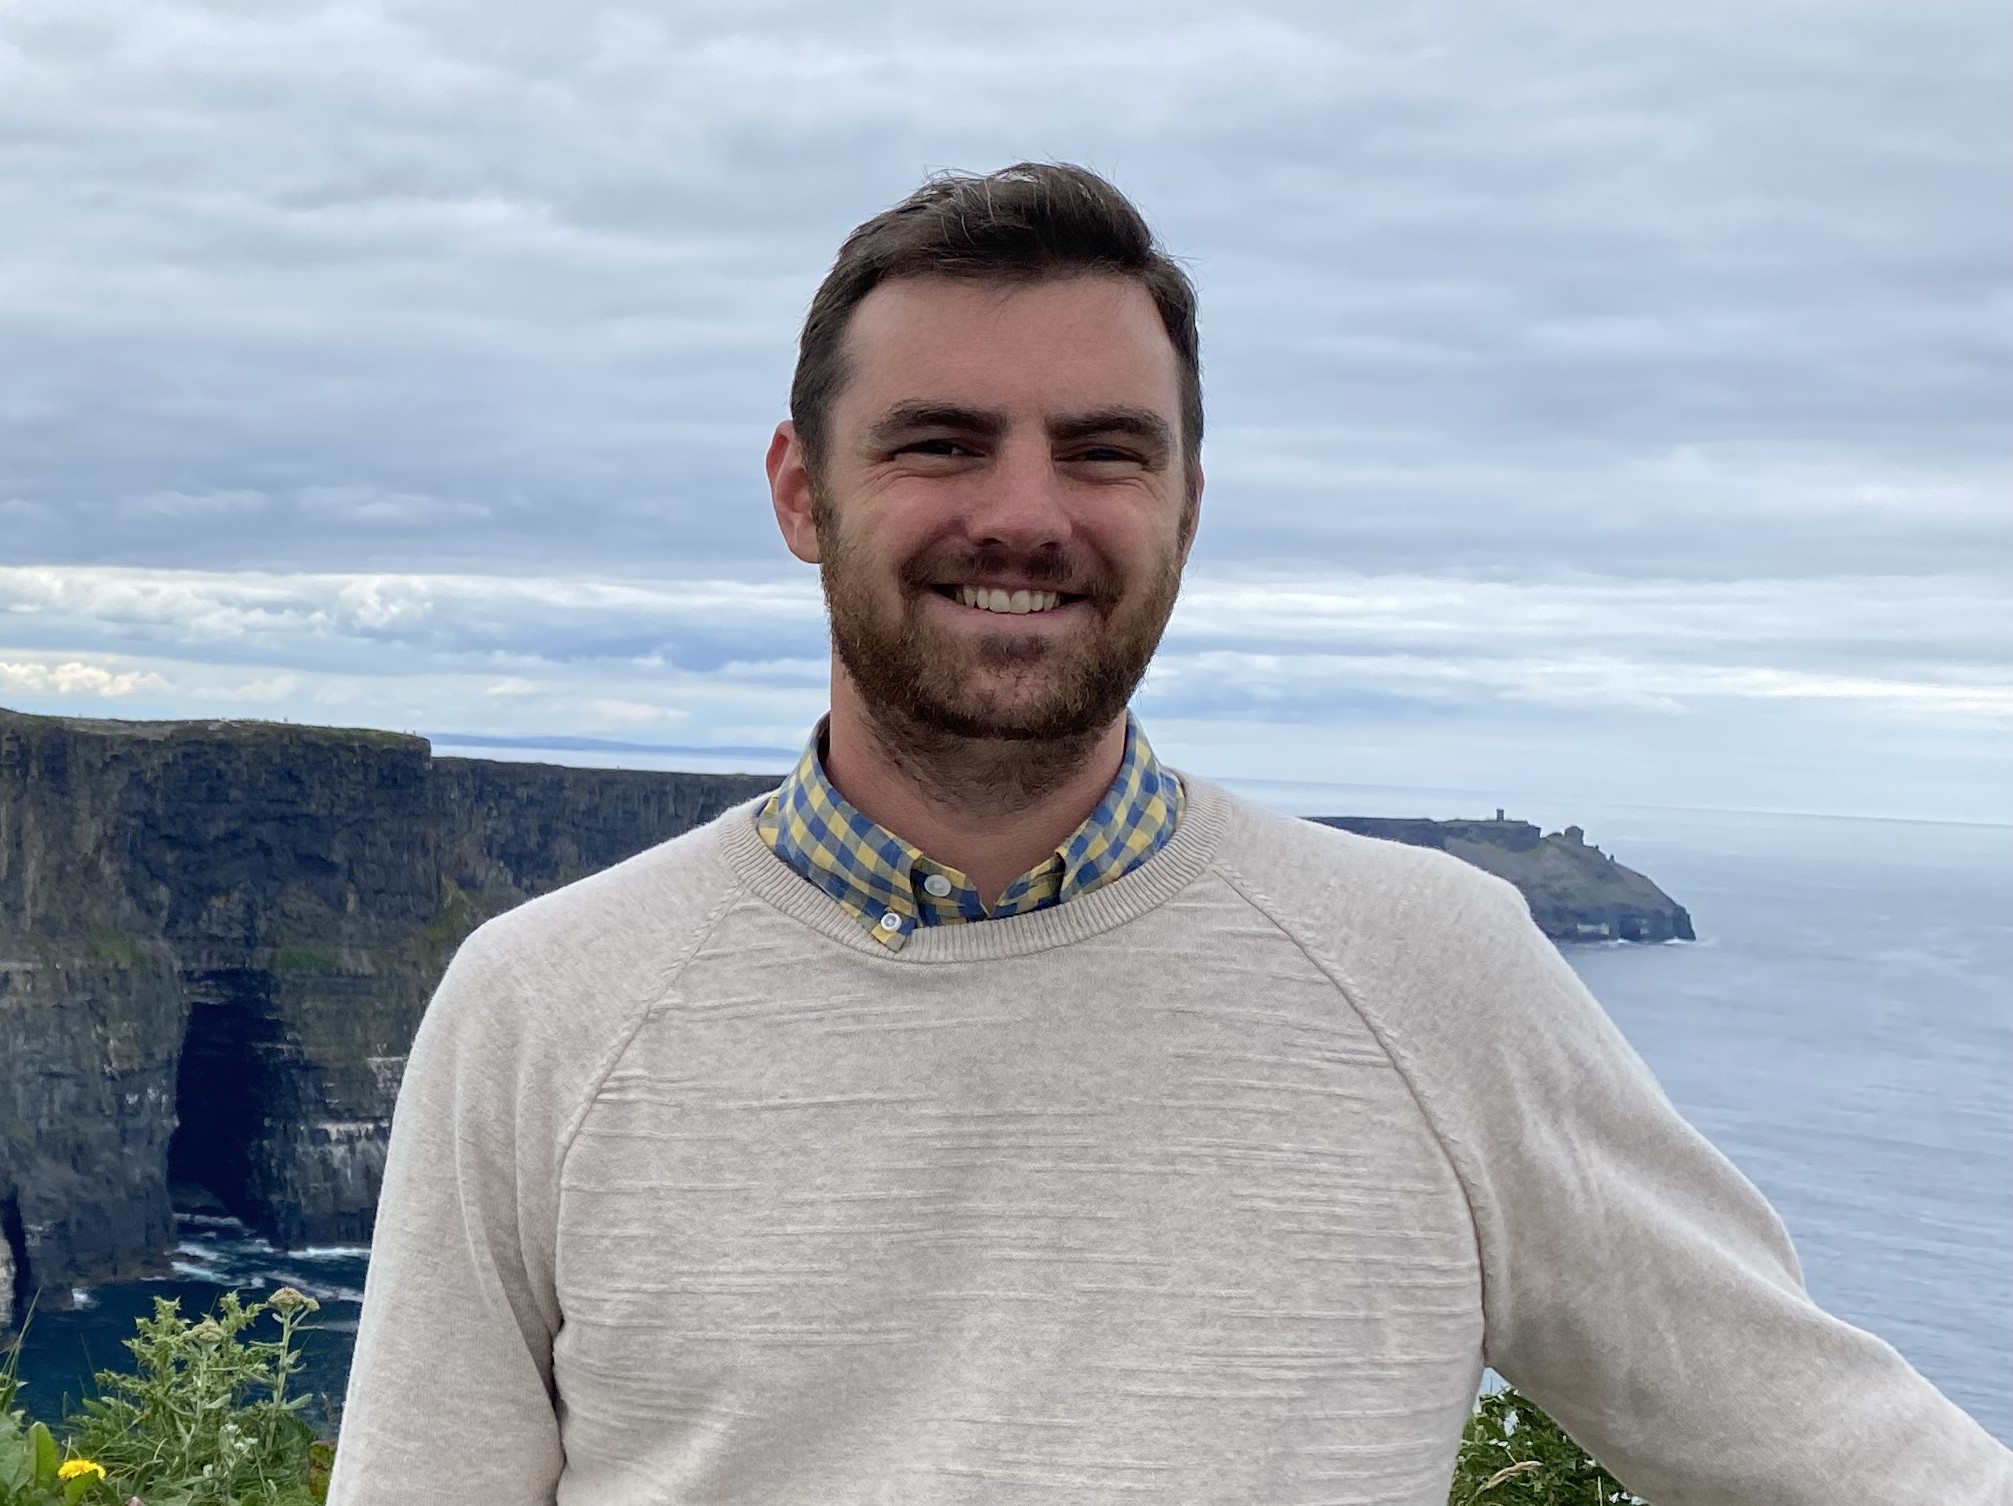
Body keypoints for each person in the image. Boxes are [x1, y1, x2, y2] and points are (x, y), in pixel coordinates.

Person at [328, 163, 2012, 1505]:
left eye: (1104, 450)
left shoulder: (1433, 972)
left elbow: (1831, 1451)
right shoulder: (542, 1003)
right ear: (799, 490)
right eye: (939, 442)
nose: (1024, 513)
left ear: (1186, 500)